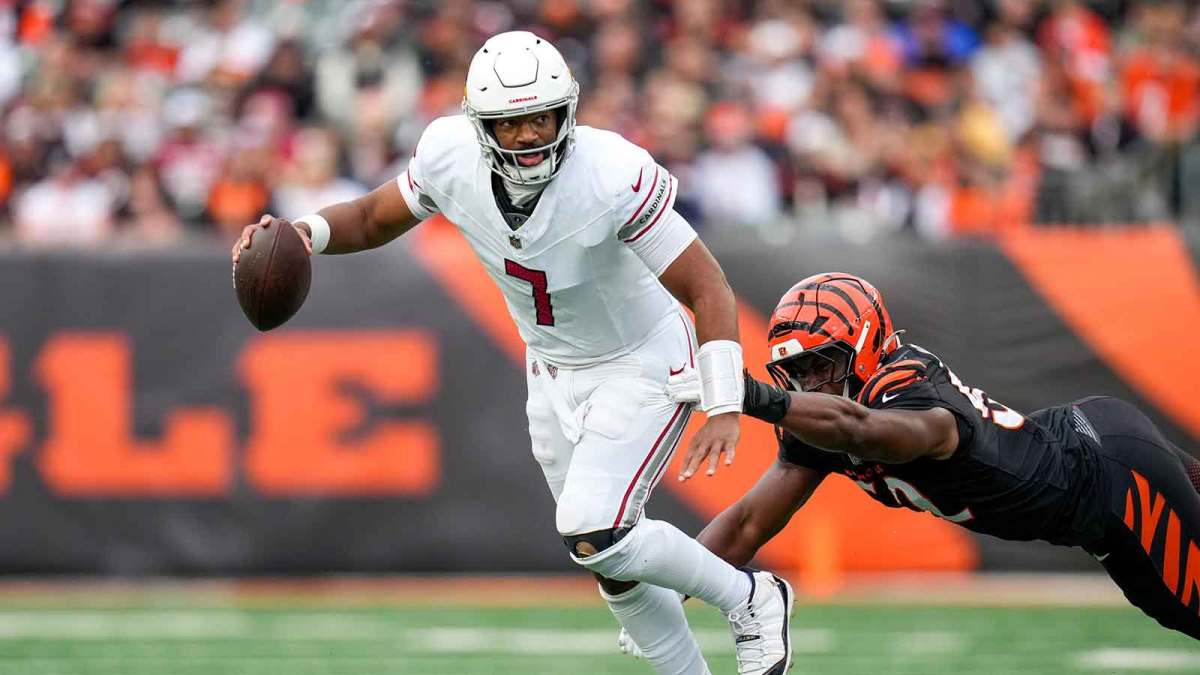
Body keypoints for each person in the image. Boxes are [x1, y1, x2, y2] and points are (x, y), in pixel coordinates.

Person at [232, 31, 793, 675]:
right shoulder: (449, 156)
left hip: (638, 361)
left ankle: (752, 596)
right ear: (480, 126)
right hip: (549, 367)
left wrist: (722, 399)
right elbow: (373, 216)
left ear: (567, 110)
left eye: (540, 116)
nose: (528, 134)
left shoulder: (612, 173)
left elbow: (705, 285)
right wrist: (306, 232)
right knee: (611, 566)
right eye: (510, 122)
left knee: (597, 530)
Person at [669, 271, 1200, 642]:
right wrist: (667, 590)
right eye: (800, 373)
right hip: (1090, 460)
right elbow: (746, 523)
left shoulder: (908, 386)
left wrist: (761, 398)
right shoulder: (823, 421)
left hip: (1109, 477)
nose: (812, 384)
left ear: (867, 344)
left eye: (823, 365)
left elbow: (863, 429)